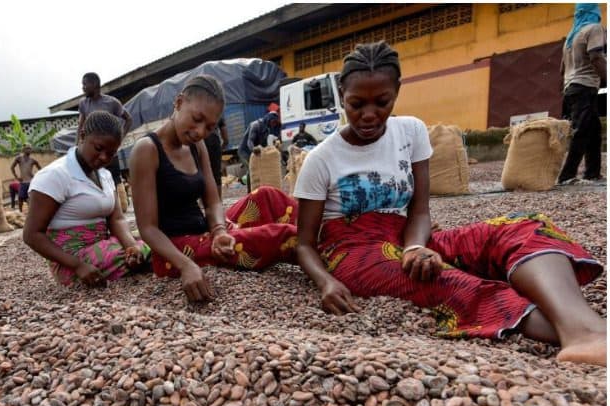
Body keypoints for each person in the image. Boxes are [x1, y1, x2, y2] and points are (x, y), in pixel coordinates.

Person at [294, 41, 606, 366]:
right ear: (342, 93)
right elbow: (305, 242)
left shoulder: (411, 132)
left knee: (523, 228)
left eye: (382, 102)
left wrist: (415, 248)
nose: (369, 114)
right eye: (356, 104)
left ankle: (587, 328)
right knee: (441, 280)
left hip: (408, 236)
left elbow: (419, 211)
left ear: (397, 92)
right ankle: (576, 333)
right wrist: (326, 281)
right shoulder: (322, 159)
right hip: (355, 252)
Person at [129, 75, 299, 303]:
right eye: (196, 119)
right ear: (179, 103)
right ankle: (332, 249)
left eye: (209, 127)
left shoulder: (197, 146)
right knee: (281, 236)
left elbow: (212, 202)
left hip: (204, 231)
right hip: (176, 250)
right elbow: (147, 228)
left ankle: (329, 226)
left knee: (267, 195)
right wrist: (186, 266)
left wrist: (219, 231)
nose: (200, 132)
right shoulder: (147, 150)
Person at [23, 111, 150, 288]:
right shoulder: (55, 175)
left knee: (149, 242)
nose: (104, 157)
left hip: (104, 245)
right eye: (98, 149)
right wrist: (79, 266)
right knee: (153, 251)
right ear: (82, 136)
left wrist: (131, 247)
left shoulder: (104, 175)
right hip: (71, 261)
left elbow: (117, 219)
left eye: (111, 153)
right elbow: (31, 235)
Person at [557, 3, 607, 185]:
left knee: (593, 130)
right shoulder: (594, 29)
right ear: (595, 13)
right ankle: (566, 176)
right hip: (584, 86)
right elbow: (595, 57)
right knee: (582, 131)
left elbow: (562, 69)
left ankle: (592, 173)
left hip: (571, 87)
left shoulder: (571, 37)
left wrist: (564, 89)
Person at [76, 72, 133, 187]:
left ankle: (120, 204)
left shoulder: (112, 103)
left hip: (110, 153)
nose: (83, 88)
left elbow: (129, 120)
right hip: (93, 154)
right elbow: (80, 127)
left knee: (116, 184)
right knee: (94, 184)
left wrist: (119, 140)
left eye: (85, 84)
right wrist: (77, 146)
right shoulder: (83, 104)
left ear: (95, 84)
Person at [11, 144, 42, 211]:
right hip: (23, 182)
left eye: (30, 149)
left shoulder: (33, 160)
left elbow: (41, 170)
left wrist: (37, 177)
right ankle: (20, 212)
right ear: (23, 150)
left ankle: (33, 211)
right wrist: (16, 177)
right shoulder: (19, 158)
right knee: (20, 198)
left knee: (32, 198)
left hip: (31, 182)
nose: (29, 150)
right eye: (27, 148)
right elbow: (12, 167)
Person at [203, 115, 229, 197]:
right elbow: (226, 139)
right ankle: (218, 201)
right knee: (216, 174)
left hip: (201, 141)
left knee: (202, 172)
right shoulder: (218, 113)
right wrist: (221, 148)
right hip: (214, 141)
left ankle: (204, 201)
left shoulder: (197, 110)